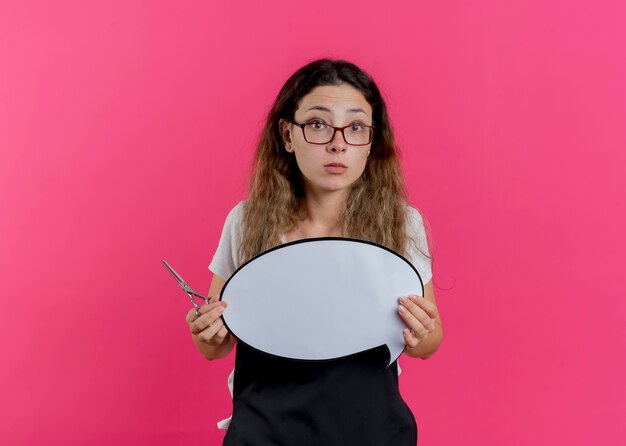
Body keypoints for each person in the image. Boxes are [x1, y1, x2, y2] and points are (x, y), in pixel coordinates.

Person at [185, 59, 443, 445]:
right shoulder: (246, 220)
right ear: (288, 135)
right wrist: (206, 330)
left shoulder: (402, 222)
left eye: (355, 126)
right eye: (318, 124)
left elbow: (428, 344)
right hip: (264, 432)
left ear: (371, 142)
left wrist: (422, 330)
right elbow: (215, 346)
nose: (338, 142)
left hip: (371, 431)